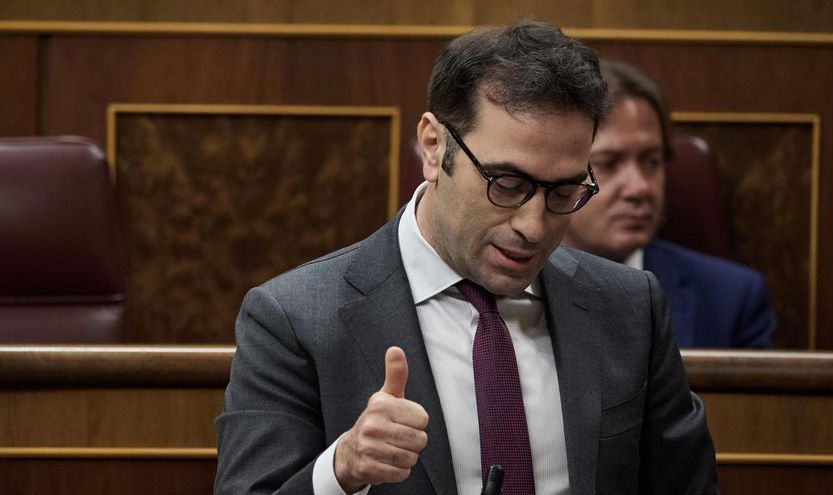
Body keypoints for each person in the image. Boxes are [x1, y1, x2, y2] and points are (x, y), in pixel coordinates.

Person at [215, 21, 718, 495]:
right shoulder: (295, 319)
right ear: (434, 147)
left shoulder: (629, 306)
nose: (533, 226)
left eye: (564, 192)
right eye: (507, 185)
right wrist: (341, 470)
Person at [563, 59, 776, 349]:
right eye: (608, 164)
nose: (640, 188)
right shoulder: (512, 284)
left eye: (652, 162)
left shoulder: (732, 300)